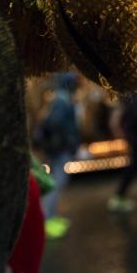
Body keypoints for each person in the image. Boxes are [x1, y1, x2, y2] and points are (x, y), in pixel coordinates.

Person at [34, 74, 81, 238]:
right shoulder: (62, 101)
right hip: (59, 148)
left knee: (56, 181)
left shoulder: (58, 99)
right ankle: (47, 219)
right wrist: (68, 139)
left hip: (56, 148)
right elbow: (58, 123)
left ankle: (51, 217)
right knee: (56, 183)